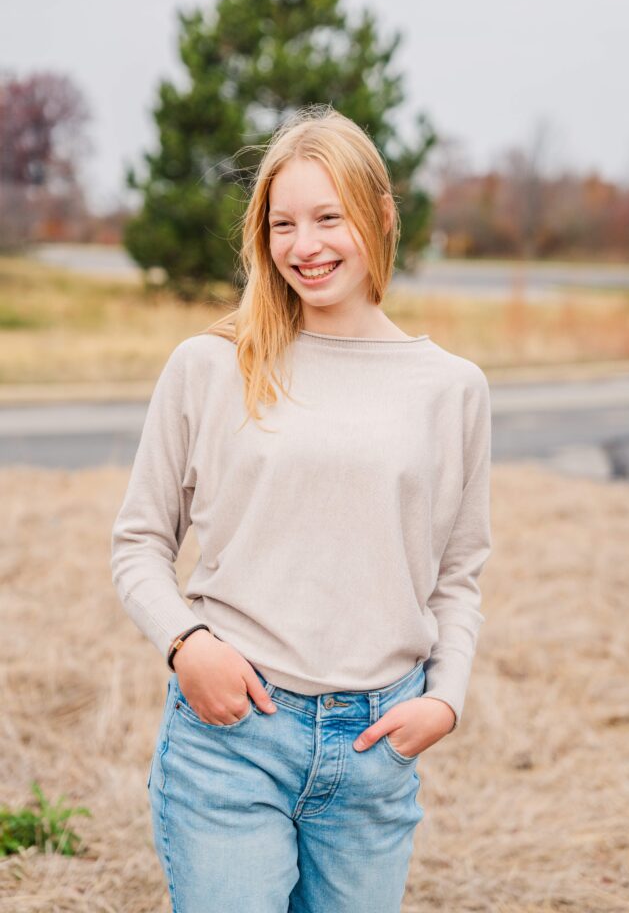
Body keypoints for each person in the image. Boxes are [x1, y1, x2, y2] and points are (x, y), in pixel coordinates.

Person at [111, 103, 492, 913]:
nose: (304, 246)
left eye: (328, 217)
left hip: (375, 748)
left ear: (380, 217)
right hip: (232, 739)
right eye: (283, 223)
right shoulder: (210, 365)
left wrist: (445, 698)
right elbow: (139, 542)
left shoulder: (451, 389)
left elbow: (458, 575)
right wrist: (186, 645)